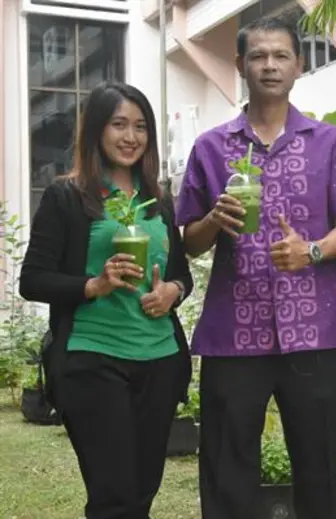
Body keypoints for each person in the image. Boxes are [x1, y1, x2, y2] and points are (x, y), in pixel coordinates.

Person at [175, 16, 336, 519]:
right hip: (233, 334)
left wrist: (315, 251)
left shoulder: (329, 143)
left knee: (321, 469)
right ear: (240, 64)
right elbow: (189, 242)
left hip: (316, 332)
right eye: (258, 56)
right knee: (226, 467)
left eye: (280, 56)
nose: (269, 65)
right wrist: (215, 218)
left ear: (298, 65)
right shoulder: (211, 147)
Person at [19, 81, 194, 518]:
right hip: (92, 360)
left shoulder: (158, 201)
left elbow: (180, 274)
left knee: (141, 492)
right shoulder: (68, 196)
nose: (130, 137)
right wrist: (92, 285)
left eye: (140, 127)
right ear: (97, 129)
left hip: (159, 360)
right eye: (119, 124)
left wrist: (173, 292)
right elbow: (33, 280)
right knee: (113, 495)